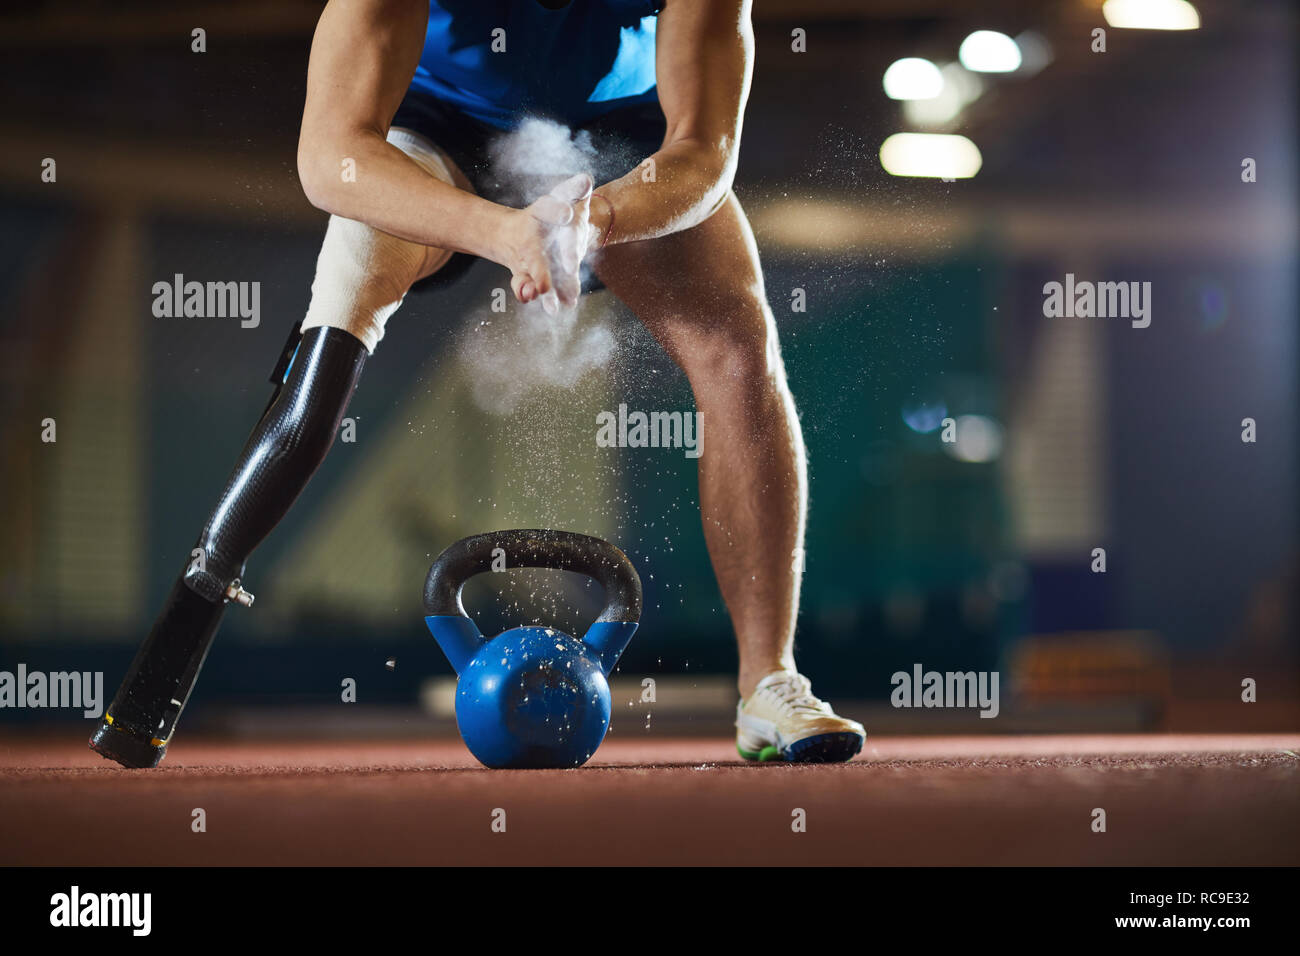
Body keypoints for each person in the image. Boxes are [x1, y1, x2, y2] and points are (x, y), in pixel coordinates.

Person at [91, 0, 864, 768]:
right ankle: (182, 630)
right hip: (433, 135)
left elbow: (702, 152)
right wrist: (503, 230)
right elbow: (330, 156)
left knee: (737, 348)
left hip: (629, 141)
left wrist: (593, 220)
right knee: (337, 320)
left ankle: (770, 681)